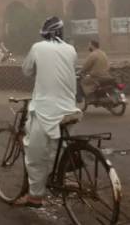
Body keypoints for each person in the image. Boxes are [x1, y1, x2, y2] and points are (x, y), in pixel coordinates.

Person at [15, 16, 81, 208]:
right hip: (70, 108)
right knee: (58, 145)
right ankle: (62, 176)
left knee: (34, 153)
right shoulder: (71, 49)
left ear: (45, 34)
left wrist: (39, 70)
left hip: (46, 110)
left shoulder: (37, 48)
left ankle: (35, 196)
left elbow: (27, 70)